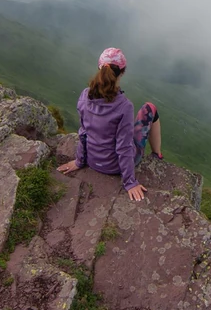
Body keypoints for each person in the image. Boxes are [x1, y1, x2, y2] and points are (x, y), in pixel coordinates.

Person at [57, 47, 163, 201]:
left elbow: (83, 132)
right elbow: (124, 147)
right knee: (150, 108)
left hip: (92, 161)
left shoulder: (85, 95)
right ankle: (157, 155)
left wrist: (79, 161)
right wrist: (130, 182)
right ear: (122, 72)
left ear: (99, 68)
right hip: (115, 166)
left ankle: (155, 155)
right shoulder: (124, 106)